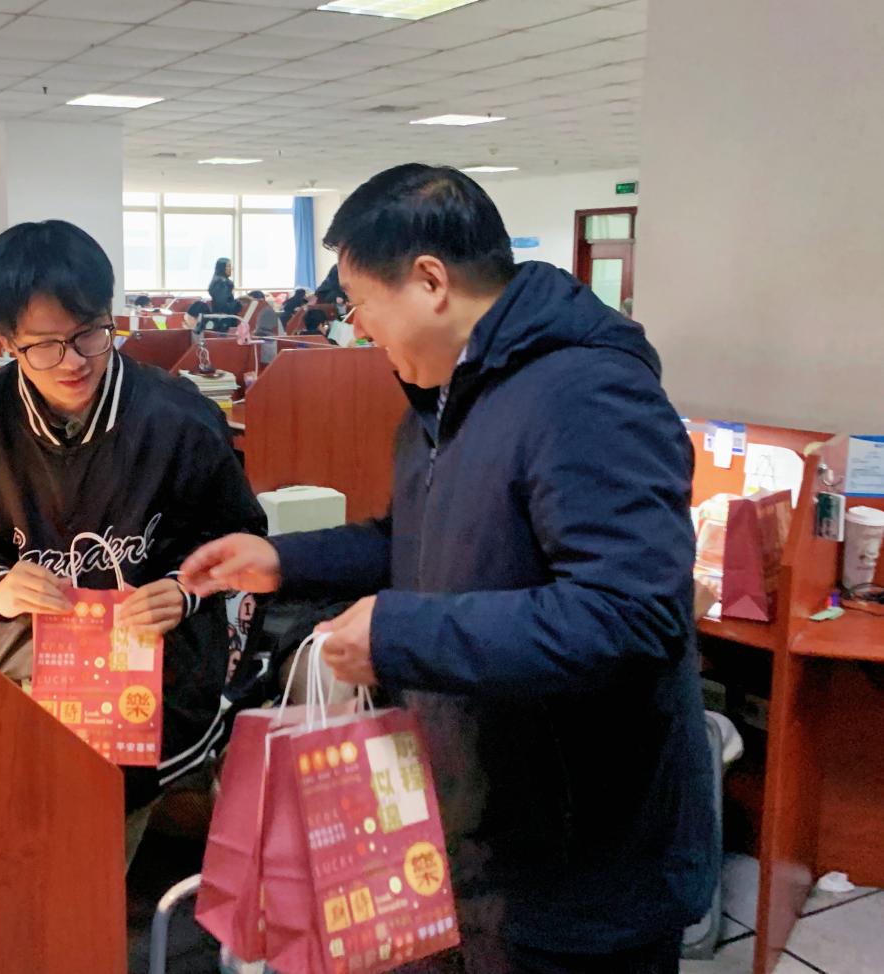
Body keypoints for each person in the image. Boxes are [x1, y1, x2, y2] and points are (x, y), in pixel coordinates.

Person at [181, 163, 717, 974]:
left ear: (429, 281)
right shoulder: (441, 400)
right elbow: (415, 543)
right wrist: (284, 559)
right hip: (465, 827)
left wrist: (398, 636)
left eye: (361, 303)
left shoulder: (584, 393)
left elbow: (628, 616)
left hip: (579, 863)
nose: (359, 327)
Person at [0, 219, 266, 864]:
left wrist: (185, 589)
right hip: (28, 668)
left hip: (156, 676)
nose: (74, 361)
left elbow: (239, 533)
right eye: (44, 345)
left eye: (89, 334)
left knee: (104, 849)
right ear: (6, 339)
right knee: (27, 839)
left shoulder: (181, 417)